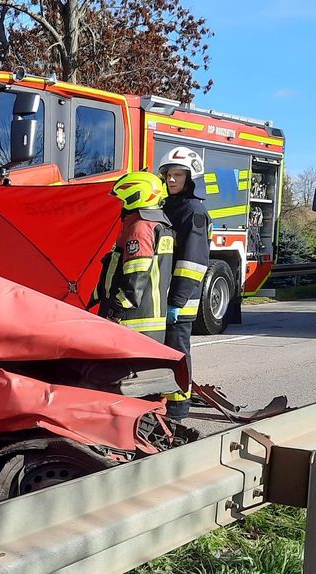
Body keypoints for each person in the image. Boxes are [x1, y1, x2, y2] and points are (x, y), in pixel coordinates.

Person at [158, 146, 211, 419]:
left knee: (177, 352)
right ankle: (164, 402)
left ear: (191, 178)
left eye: (178, 174)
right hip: (166, 297)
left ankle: (178, 409)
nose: (171, 180)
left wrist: (176, 302)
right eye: (168, 174)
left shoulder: (193, 211)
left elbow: (192, 261)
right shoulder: (169, 206)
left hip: (180, 301)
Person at [92, 171, 174, 343]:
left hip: (132, 323)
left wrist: (115, 313)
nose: (121, 204)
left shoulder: (140, 228)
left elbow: (136, 279)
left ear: (135, 197)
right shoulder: (157, 226)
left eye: (123, 199)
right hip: (148, 321)